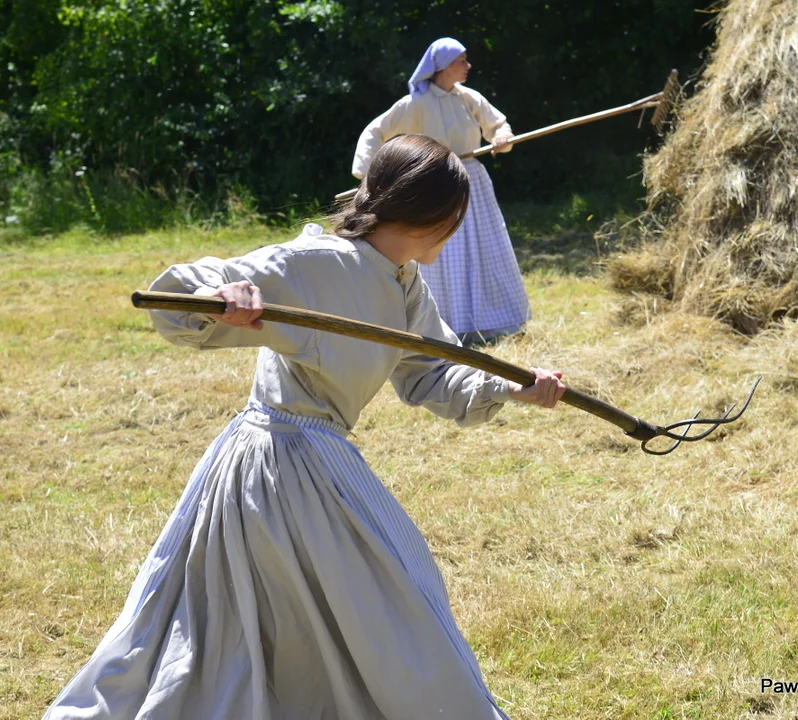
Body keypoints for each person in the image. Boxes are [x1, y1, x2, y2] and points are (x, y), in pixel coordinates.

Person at [44, 134, 565, 720]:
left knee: (358, 607)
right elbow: (173, 294)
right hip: (275, 465)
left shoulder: (403, 284)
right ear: (434, 214)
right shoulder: (321, 263)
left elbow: (432, 376)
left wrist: (510, 387)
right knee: (363, 608)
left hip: (319, 461)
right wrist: (221, 292)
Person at [351, 37, 530, 346]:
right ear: (444, 66)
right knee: (442, 250)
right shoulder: (415, 104)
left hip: (471, 177)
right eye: (462, 61)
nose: (468, 66)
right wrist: (368, 174)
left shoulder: (467, 98)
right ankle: (444, 324)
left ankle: (494, 320)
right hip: (434, 181)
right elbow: (375, 132)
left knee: (483, 247)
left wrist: (502, 137)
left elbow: (498, 125)